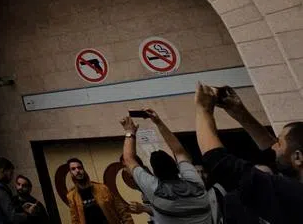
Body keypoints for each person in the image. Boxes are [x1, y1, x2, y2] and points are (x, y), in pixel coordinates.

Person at [193, 83, 303, 224]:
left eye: (279, 143)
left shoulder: (291, 194)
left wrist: (203, 110)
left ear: (298, 157)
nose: (274, 147)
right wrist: (239, 112)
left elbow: (221, 163)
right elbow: (274, 154)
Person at [120, 111, 213, 224]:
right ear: (176, 166)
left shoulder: (155, 190)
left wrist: (130, 132)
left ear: (155, 174)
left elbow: (129, 160)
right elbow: (179, 152)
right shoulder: (197, 183)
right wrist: (159, 122)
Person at [65, 157, 133, 224]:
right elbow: (75, 220)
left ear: (84, 170)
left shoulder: (102, 188)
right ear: (71, 173)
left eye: (79, 168)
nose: (77, 171)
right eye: (73, 169)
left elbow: (121, 209)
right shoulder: (72, 196)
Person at [0, 157, 38, 224]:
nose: (11, 177)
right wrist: (28, 214)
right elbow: (12, 217)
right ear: (3, 170)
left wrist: (21, 208)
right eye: (11, 173)